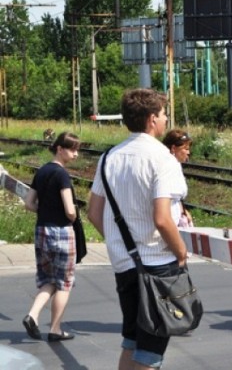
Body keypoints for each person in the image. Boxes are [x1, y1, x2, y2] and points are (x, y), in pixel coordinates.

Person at [87, 89, 189, 370]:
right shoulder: (162, 158)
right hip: (157, 263)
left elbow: (93, 212)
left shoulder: (109, 157)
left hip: (124, 264)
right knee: (151, 350)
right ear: (151, 118)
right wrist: (180, 252)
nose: (166, 119)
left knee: (132, 340)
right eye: (164, 114)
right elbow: (162, 219)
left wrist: (121, 243)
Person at [23, 132, 81, 342]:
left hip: (42, 231)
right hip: (62, 232)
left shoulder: (42, 171)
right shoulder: (61, 174)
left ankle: (32, 315)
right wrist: (73, 213)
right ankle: (55, 329)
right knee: (64, 282)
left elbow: (29, 203)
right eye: (72, 149)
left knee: (49, 279)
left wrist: (46, 209)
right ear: (59, 148)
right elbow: (70, 211)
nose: (75, 154)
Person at [162, 129, 193, 228]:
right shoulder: (168, 167)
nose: (188, 152)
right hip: (170, 221)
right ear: (173, 148)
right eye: (186, 149)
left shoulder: (176, 164)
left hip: (176, 217)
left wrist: (183, 210)